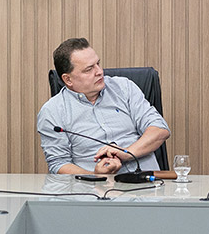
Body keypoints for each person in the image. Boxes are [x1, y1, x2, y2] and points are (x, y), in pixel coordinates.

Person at [37, 38, 170, 174]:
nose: (99, 71)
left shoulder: (124, 87)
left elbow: (160, 129)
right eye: (89, 69)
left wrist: (127, 153)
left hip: (146, 182)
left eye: (98, 63)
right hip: (92, 186)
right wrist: (95, 177)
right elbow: (59, 164)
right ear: (68, 79)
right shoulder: (52, 112)